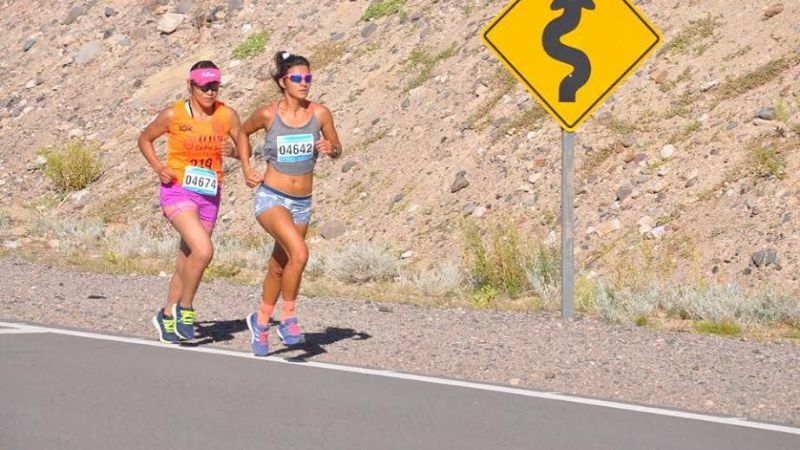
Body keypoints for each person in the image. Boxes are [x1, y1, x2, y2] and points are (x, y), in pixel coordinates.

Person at [240, 51, 342, 356]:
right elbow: (242, 133)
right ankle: (288, 318)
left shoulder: (321, 113)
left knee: (279, 265)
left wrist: (331, 148)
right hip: (271, 196)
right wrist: (246, 167)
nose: (304, 83)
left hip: (302, 202)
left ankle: (259, 322)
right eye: (297, 78)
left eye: (308, 78)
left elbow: (338, 149)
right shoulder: (267, 114)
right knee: (300, 252)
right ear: (283, 82)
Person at [138, 61, 247, 344]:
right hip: (177, 191)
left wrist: (235, 153)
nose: (210, 92)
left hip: (210, 195)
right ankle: (185, 309)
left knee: (189, 260)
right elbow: (145, 138)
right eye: (204, 86)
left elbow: (245, 146)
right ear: (191, 86)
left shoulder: (227, 115)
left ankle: (165, 314)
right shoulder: (174, 114)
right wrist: (158, 167)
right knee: (204, 250)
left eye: (215, 86)